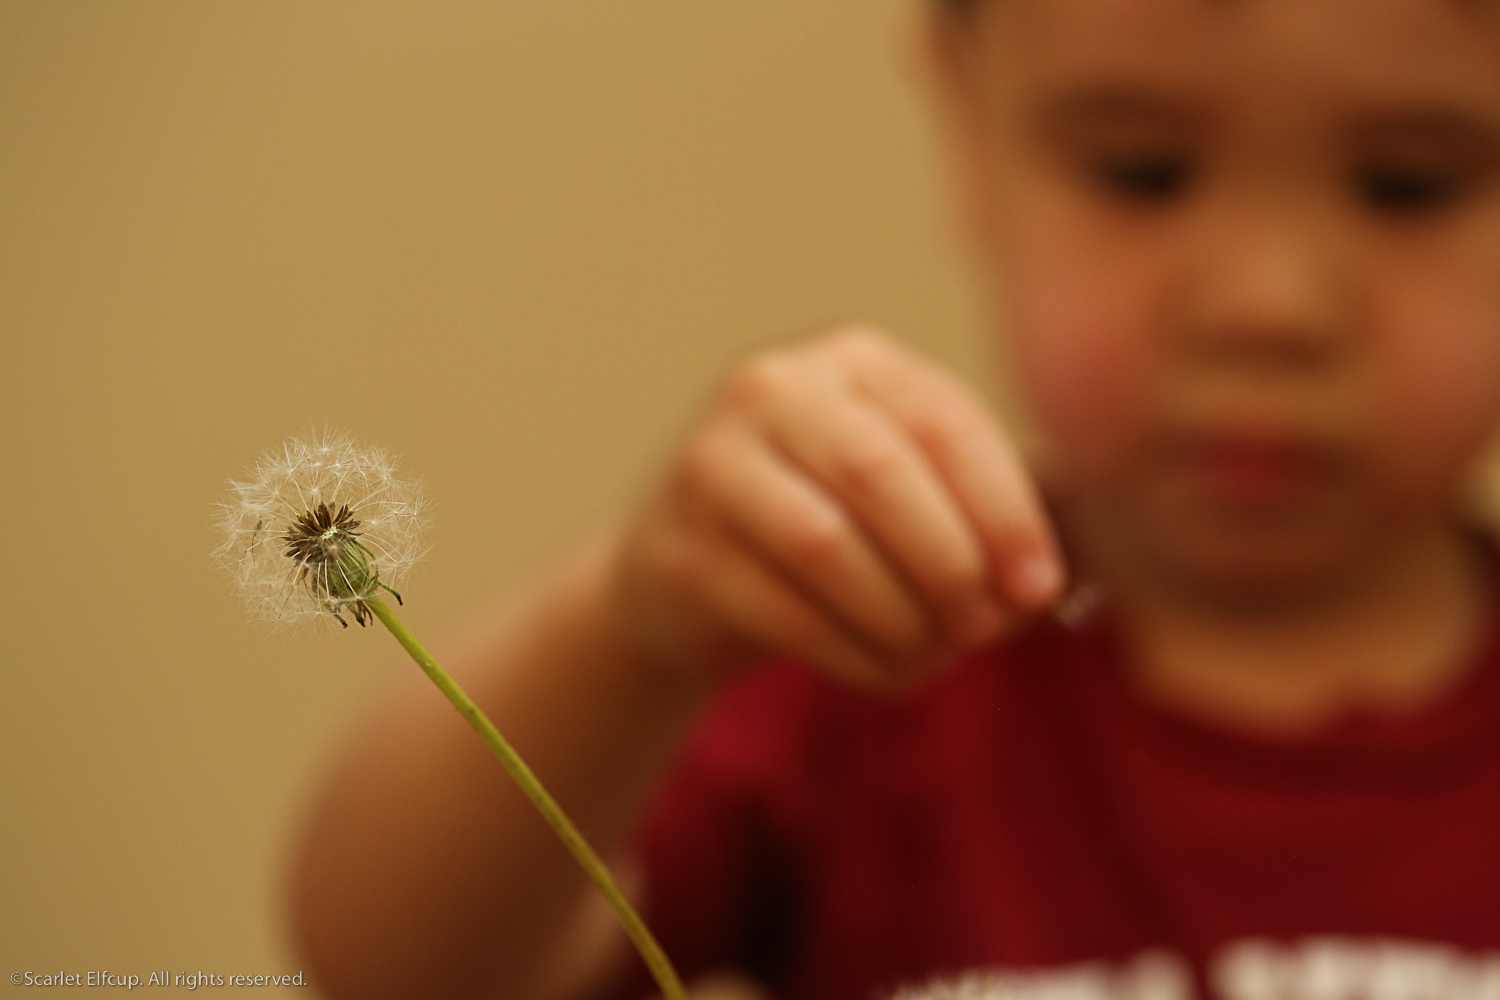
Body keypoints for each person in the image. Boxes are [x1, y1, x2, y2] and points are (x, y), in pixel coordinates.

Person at [290, 1, 1500, 998]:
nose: (1266, 305)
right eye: (1143, 170)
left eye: (1409, 184)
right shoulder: (849, 648)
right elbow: (398, 970)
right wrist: (625, 628)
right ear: (971, 135)